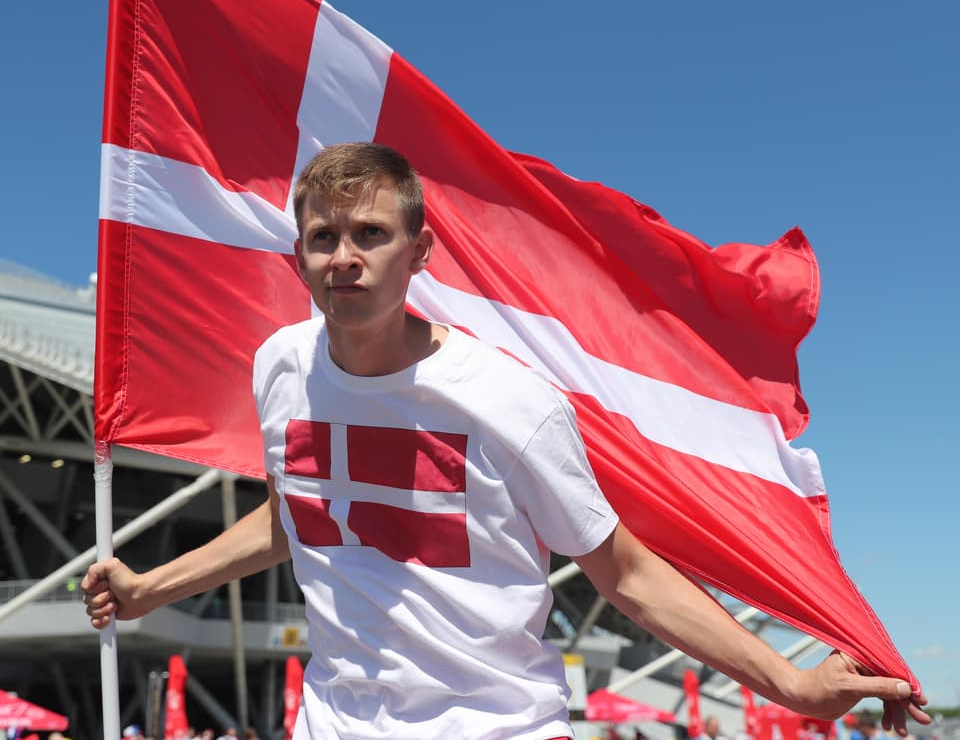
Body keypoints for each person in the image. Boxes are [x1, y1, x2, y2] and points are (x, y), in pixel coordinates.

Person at [84, 143, 930, 739]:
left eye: (370, 234)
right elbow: (297, 514)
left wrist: (787, 680)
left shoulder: (507, 401)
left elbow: (625, 574)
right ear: (298, 257)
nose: (345, 257)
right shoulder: (280, 369)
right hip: (333, 722)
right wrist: (154, 586)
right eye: (323, 238)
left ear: (420, 252)